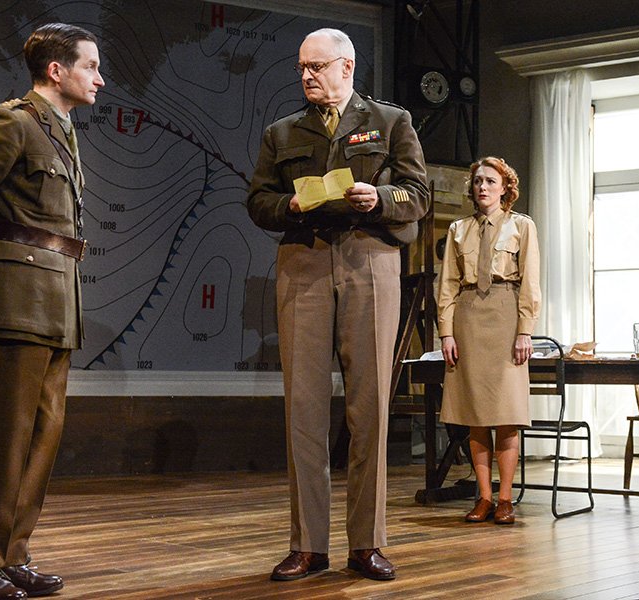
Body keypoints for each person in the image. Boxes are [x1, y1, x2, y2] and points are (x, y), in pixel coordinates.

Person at [247, 28, 429, 581]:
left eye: (317, 66)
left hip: (370, 259)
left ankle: (366, 543)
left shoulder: (391, 122)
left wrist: (381, 199)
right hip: (303, 261)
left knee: (369, 405)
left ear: (347, 67)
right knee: (302, 408)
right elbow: (257, 200)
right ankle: (308, 544)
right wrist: (290, 204)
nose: (306, 75)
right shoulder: (282, 132)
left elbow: (418, 194)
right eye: (301, 66)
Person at [0, 23, 103, 600]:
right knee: (2, 440)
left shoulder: (61, 129)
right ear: (57, 70)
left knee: (40, 438)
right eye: (91, 67)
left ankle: (12, 555)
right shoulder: (15, 121)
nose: (100, 78)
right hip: (17, 303)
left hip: (56, 303)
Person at [437, 157, 541, 525]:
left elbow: (530, 282)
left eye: (490, 181)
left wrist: (525, 329)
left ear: (505, 188)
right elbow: (447, 284)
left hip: (505, 313)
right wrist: (446, 332)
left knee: (507, 415)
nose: (482, 187)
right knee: (475, 416)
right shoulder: (458, 229)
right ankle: (483, 497)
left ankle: (506, 498)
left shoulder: (521, 226)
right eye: (478, 181)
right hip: (468, 317)